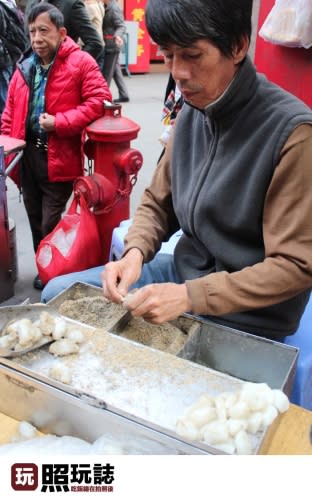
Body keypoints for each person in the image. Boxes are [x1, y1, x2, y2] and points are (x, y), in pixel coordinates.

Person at [42, 0, 312, 342]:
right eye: (168, 55)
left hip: (249, 313)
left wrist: (189, 296)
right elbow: (158, 201)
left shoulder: (292, 134)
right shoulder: (192, 111)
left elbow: (295, 265)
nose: (177, 72)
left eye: (192, 55)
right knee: (58, 293)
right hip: (181, 273)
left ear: (239, 46)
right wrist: (134, 253)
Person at [1, 2, 111, 290]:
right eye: (32, 31)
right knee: (34, 215)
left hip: (59, 156)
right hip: (27, 158)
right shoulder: (24, 67)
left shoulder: (81, 62)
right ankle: (44, 263)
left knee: (50, 219)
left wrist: (60, 122)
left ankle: (51, 269)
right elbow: (9, 114)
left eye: (44, 31)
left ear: (62, 33)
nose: (36, 38)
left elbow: (100, 100)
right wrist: (7, 150)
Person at [24, 0, 104, 62]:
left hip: (59, 76)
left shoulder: (70, 4)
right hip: (29, 71)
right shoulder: (32, 2)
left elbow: (95, 43)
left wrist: (72, 65)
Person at [0, 0, 27, 115]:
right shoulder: (8, 4)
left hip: (5, 61)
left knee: (5, 103)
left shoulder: (5, 5)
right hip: (9, 59)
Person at [102, 0, 129, 103]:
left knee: (107, 73)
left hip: (111, 45)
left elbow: (121, 25)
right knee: (116, 71)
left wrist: (117, 35)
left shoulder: (114, 8)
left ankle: (103, 97)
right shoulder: (106, 6)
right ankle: (124, 94)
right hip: (108, 43)